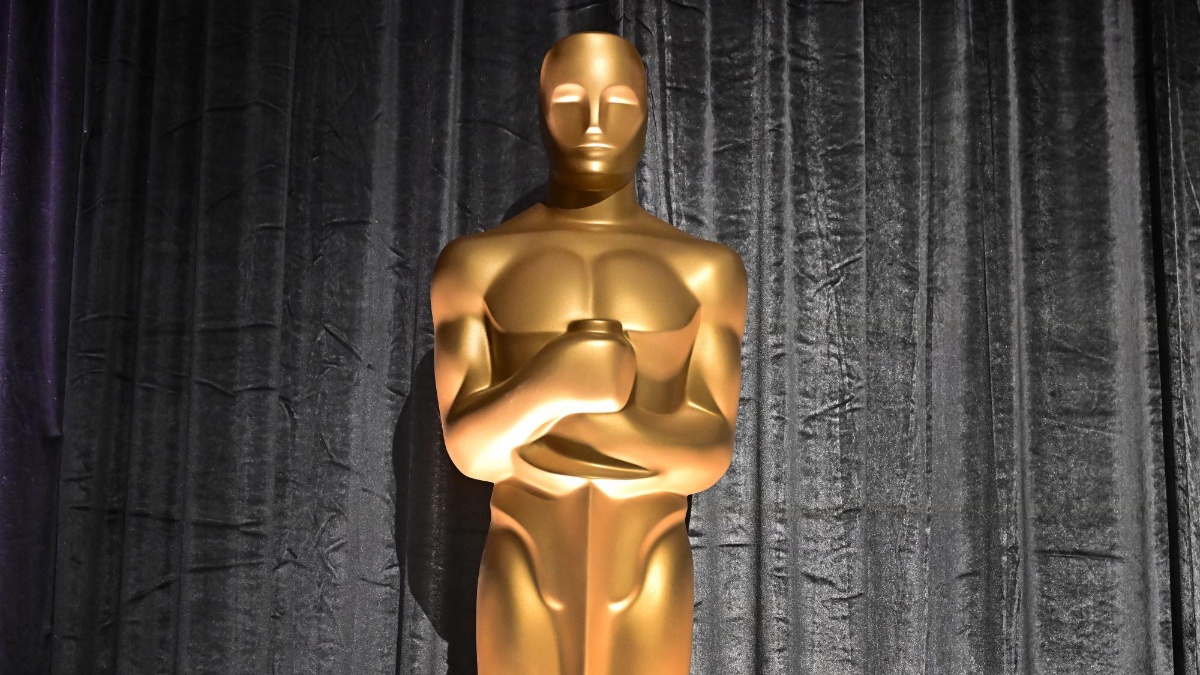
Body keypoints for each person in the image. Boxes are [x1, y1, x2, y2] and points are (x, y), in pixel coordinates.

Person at [430, 31, 747, 675]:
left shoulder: (705, 271)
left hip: (650, 556)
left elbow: (709, 455)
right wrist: (554, 383)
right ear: (540, 108)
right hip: (523, 551)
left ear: (649, 111)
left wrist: (592, 418)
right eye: (571, 99)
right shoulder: (477, 264)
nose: (595, 124)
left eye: (620, 102)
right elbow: (470, 450)